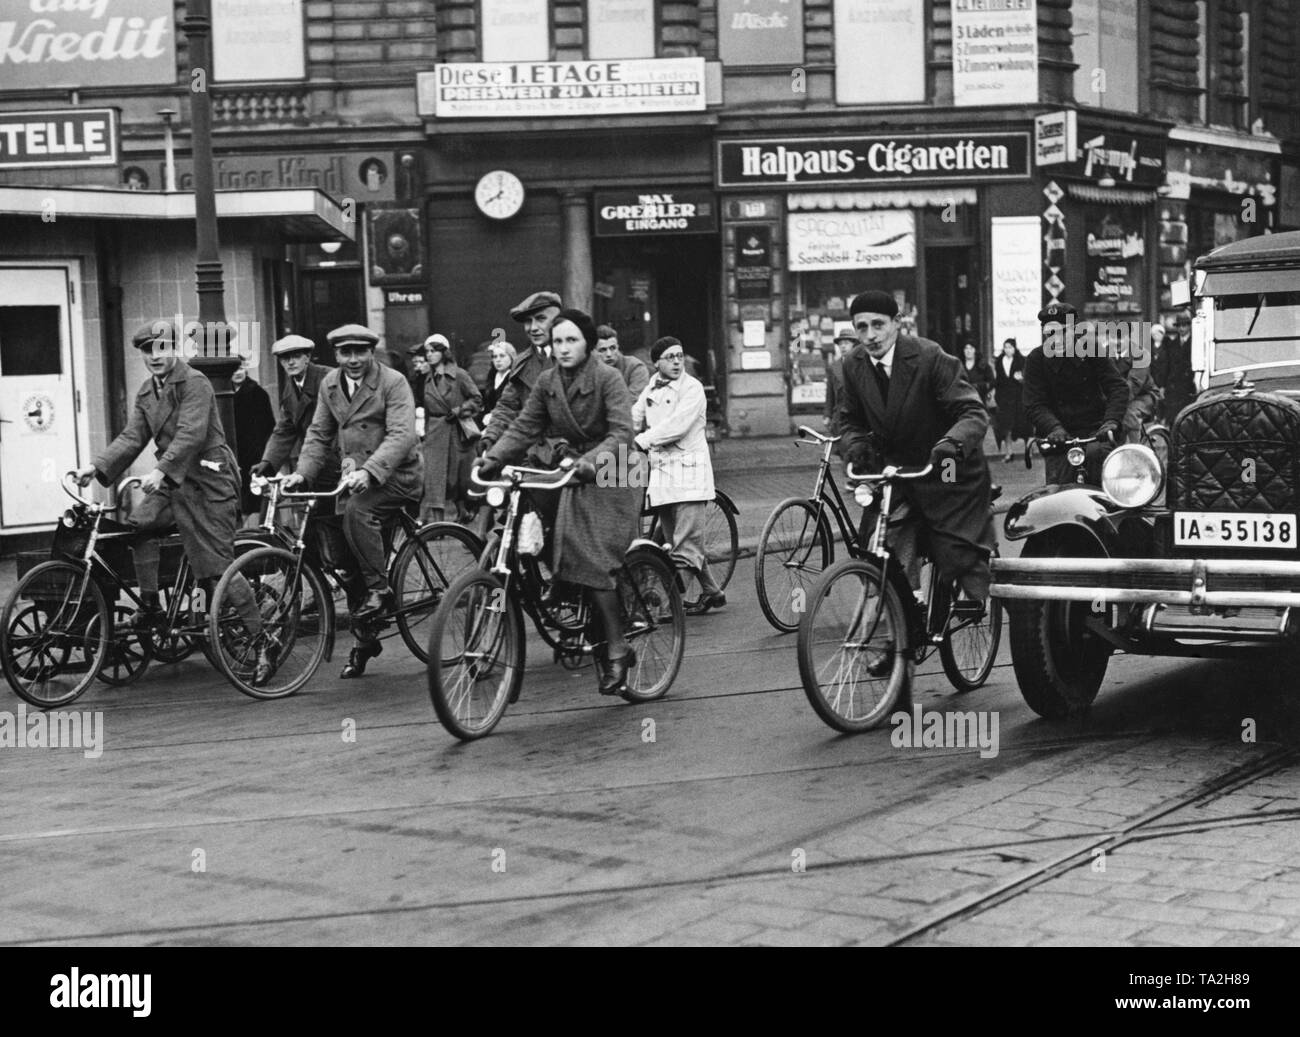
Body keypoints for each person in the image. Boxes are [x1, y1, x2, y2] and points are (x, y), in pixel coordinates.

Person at [72, 321, 270, 680]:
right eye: (148, 351)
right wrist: (95, 467)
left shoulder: (195, 382)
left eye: (162, 349)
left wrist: (160, 470)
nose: (155, 357)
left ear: (174, 349)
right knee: (140, 525)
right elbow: (133, 436)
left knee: (216, 567)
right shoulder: (148, 392)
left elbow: (191, 434)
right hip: (172, 480)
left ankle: (260, 642)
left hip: (209, 482)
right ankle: (150, 606)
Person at [479, 308, 642, 696]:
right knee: (529, 505)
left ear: (586, 344)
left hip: (614, 470)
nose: (563, 348)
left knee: (591, 551)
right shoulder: (548, 381)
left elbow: (622, 433)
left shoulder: (608, 378)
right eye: (557, 342)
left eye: (571, 340)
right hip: (569, 466)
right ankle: (561, 580)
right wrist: (494, 457)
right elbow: (525, 425)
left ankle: (618, 648)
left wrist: (589, 463)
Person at [835, 290, 995, 609]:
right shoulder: (852, 365)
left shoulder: (928, 356)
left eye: (878, 325)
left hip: (946, 463)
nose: (870, 335)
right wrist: (854, 444)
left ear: (897, 323)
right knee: (881, 538)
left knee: (956, 541)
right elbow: (848, 419)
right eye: (861, 327)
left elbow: (973, 413)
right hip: (897, 467)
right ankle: (905, 603)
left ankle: (972, 595)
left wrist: (951, 443)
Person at [283, 323, 423, 679]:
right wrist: (303, 473)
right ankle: (366, 635)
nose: (354, 359)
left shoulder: (393, 382)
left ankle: (381, 590)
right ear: (336, 356)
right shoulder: (330, 385)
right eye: (346, 353)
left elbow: (402, 434)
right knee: (341, 557)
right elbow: (318, 433)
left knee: (358, 515)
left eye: (360, 351)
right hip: (354, 478)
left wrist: (371, 471)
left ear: (371, 352)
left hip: (395, 476)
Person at [633, 336, 724, 614]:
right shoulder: (651, 386)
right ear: (656, 363)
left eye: (679, 355)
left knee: (685, 548)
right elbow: (633, 417)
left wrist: (643, 440)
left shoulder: (693, 388)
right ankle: (713, 592)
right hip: (663, 478)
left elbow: (678, 425)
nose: (676, 361)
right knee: (682, 542)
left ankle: (663, 605)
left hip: (689, 477)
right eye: (669, 357)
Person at [252, 334, 347, 579]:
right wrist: (268, 462)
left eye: (296, 356)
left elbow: (344, 422)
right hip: (313, 462)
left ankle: (352, 580)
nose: (290, 362)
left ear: (307, 357)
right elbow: (285, 427)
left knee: (332, 525)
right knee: (309, 528)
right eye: (285, 358)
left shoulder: (328, 378)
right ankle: (320, 585)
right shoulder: (292, 386)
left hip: (337, 461)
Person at [1022, 303, 1129, 485]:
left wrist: (1111, 421)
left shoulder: (1091, 350)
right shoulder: (1036, 359)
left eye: (1063, 332)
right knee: (1057, 491)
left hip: (1096, 429)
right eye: (1050, 334)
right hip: (1058, 434)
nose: (1056, 339)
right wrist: (1053, 428)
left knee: (1100, 469)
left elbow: (1117, 387)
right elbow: (1034, 403)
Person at [479, 291, 558, 453]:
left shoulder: (573, 358)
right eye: (528, 321)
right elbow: (507, 406)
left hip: (569, 454)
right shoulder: (521, 363)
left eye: (541, 319)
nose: (533, 328)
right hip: (531, 454)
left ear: (557, 321)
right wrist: (490, 436)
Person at [418, 333, 482, 524]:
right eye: (427, 352)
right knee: (435, 480)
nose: (429, 355)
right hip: (436, 434)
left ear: (443, 353)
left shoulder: (460, 375)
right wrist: (427, 433)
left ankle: (463, 511)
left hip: (456, 433)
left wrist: (461, 410)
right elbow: (429, 410)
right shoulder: (427, 379)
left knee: (458, 479)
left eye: (433, 351)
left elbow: (477, 399)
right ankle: (438, 524)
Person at [230, 354, 276, 528]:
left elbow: (268, 427)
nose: (238, 373)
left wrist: (263, 457)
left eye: (241, 368)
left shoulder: (258, 393)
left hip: (253, 456)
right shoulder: (224, 393)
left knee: (253, 500)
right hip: (234, 454)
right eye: (234, 369)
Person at [1151, 311, 1196, 425]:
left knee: (1187, 418)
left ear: (1189, 326)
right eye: (1179, 326)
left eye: (1184, 325)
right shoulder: (1172, 343)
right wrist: (1162, 386)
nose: (1181, 328)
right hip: (1173, 386)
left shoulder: (1195, 343)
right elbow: (1167, 365)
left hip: (1189, 386)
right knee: (1173, 419)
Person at [992, 338, 1026, 462]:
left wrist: (1021, 379)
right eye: (1006, 347)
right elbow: (997, 380)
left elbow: (1026, 378)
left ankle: (1029, 451)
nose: (1008, 350)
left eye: (1010, 347)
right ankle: (1009, 452)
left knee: (1022, 425)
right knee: (1006, 427)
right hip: (1004, 399)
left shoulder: (1021, 361)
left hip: (1018, 398)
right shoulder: (999, 361)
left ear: (1014, 348)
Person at [596, 325, 650, 397]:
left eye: (612, 348)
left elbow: (633, 399)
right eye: (602, 350)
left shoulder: (635, 367)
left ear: (618, 347)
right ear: (594, 352)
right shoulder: (590, 370)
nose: (609, 354)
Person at [823, 330, 856, 434]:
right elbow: (830, 394)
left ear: (854, 345)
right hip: (838, 417)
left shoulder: (861, 364)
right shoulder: (834, 367)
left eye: (846, 343)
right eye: (840, 344)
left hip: (857, 416)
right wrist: (827, 415)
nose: (843, 347)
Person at [481, 338, 517, 427]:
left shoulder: (515, 378)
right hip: (489, 423)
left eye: (502, 356)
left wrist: (494, 416)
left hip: (508, 424)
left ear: (511, 357)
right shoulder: (492, 375)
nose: (498, 360)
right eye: (495, 356)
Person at [961, 342, 993, 409]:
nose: (968, 351)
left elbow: (991, 382)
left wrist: (977, 386)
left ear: (975, 350)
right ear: (963, 350)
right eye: (966, 348)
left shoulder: (983, 365)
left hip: (979, 401)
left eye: (971, 348)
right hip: (963, 403)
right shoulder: (959, 365)